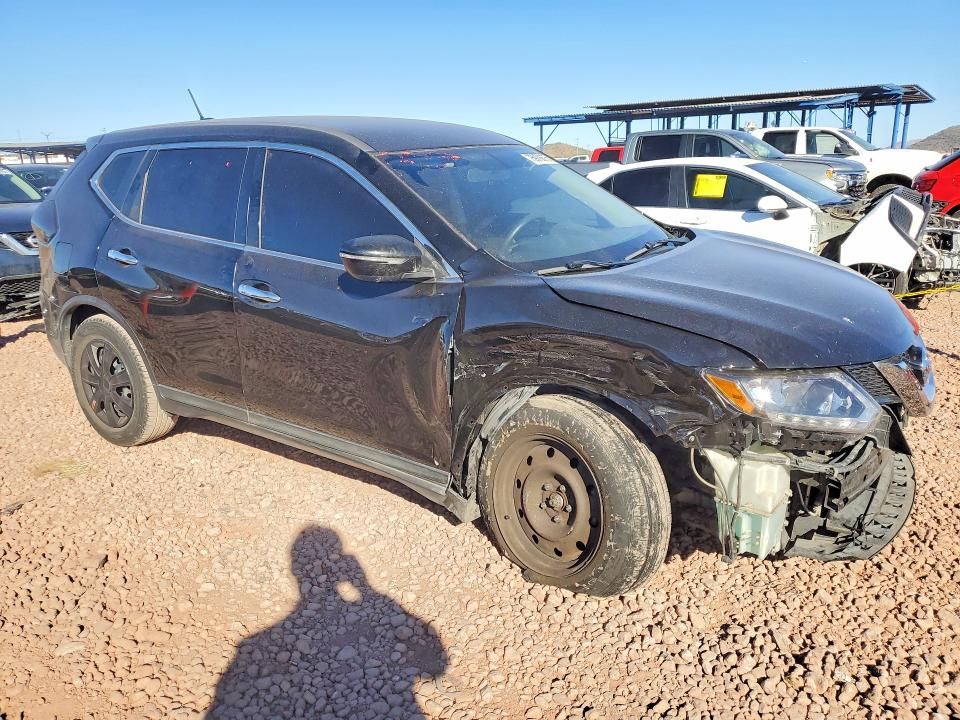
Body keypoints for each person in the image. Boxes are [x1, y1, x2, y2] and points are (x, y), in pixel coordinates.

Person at [208, 526, 447, 719]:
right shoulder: (252, 647)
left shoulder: (250, 647)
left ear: (294, 568)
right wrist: (367, 590)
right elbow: (437, 666)